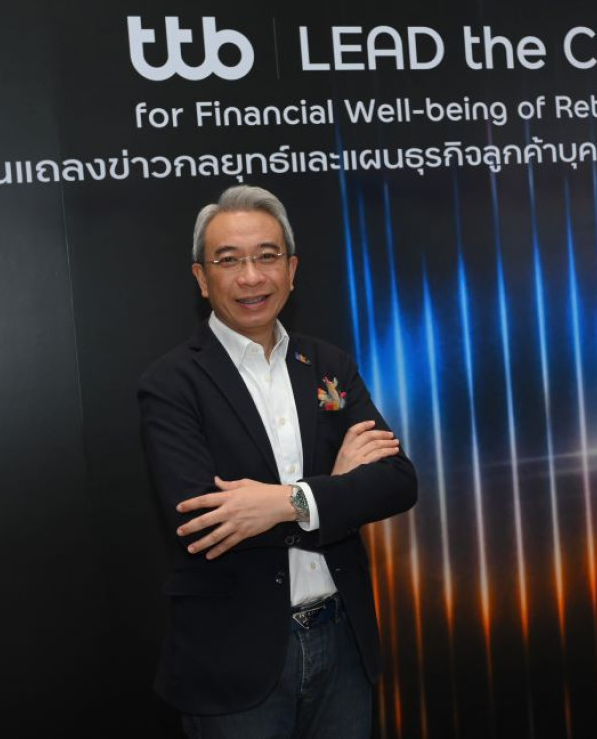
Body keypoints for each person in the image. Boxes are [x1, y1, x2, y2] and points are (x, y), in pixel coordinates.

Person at [138, 185, 417, 739]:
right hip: (235, 658)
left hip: (342, 640)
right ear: (201, 278)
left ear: (291, 270)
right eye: (229, 260)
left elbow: (396, 481)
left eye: (267, 256)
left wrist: (284, 501)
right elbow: (207, 522)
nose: (251, 276)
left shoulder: (327, 363)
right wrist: (334, 490)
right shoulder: (171, 383)